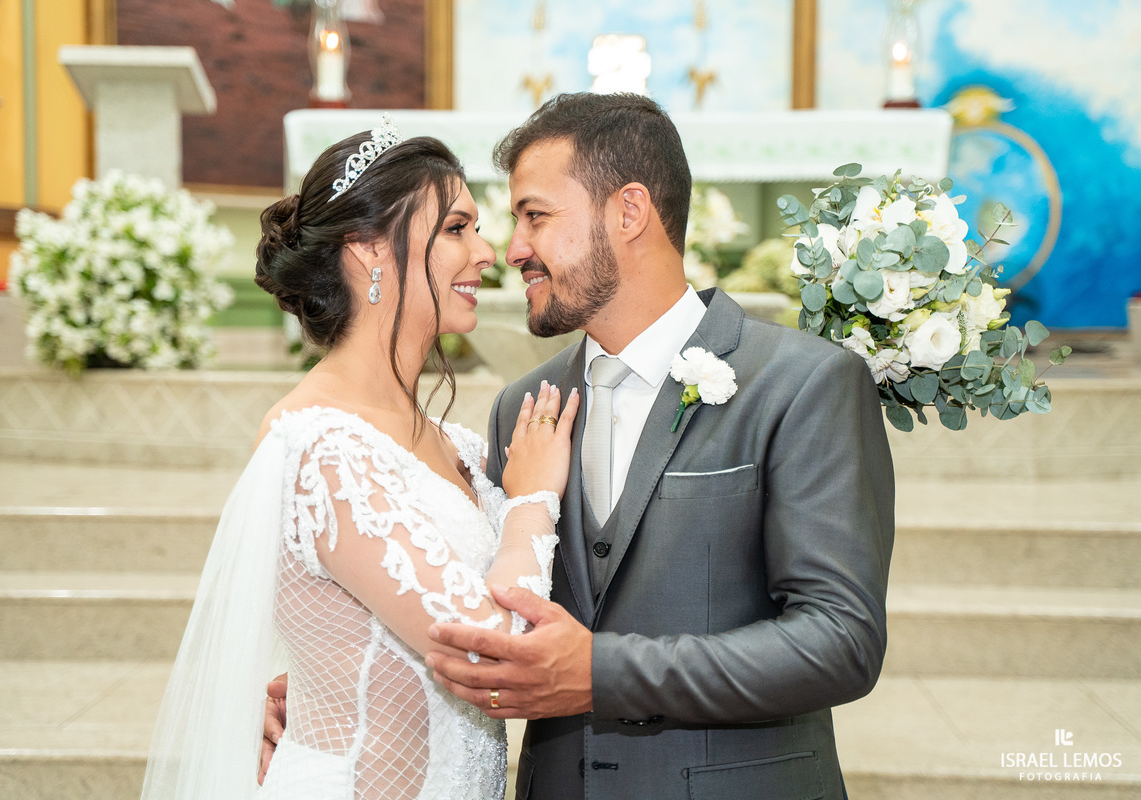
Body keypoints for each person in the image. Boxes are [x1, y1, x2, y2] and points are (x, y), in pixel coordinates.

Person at [264, 94, 894, 797]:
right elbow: (479, 599)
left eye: (535, 216)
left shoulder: (803, 384)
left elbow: (841, 640)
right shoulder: (523, 411)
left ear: (628, 213)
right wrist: (347, 676)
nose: (511, 251)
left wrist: (597, 671)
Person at [141, 116, 580, 800]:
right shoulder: (320, 445)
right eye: (457, 229)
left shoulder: (456, 446)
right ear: (369, 248)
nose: (488, 252)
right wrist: (530, 500)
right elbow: (490, 647)